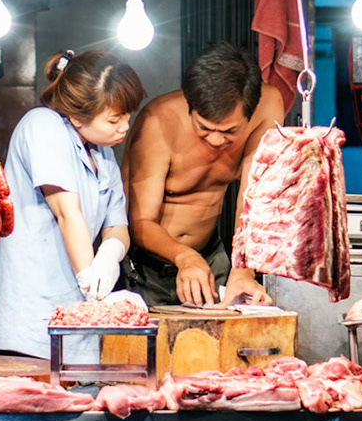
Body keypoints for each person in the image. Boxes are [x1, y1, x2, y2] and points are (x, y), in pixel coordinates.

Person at [0, 49, 146, 357]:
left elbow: (117, 226)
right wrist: (90, 278)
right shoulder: (42, 126)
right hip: (33, 323)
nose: (124, 127)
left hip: (81, 323)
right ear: (77, 117)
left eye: (127, 116)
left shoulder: (103, 153)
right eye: (114, 119)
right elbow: (66, 211)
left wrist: (109, 255)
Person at [123, 41, 288, 306]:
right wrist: (185, 257)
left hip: (213, 261)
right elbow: (140, 221)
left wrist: (243, 271)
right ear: (190, 103)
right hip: (148, 270)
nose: (214, 140)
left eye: (229, 132)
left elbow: (253, 200)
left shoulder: (268, 106)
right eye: (204, 127)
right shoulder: (158, 121)